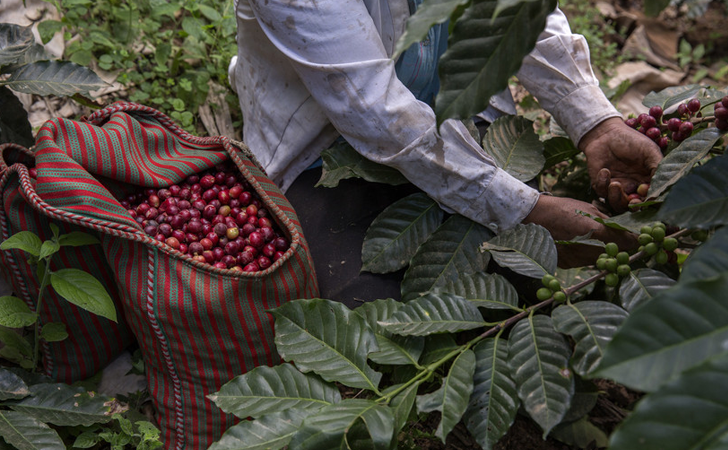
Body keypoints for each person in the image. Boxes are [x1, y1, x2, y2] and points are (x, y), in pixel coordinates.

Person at [228, 0, 663, 306]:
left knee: (514, 292)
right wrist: (528, 211)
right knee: (373, 310)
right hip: (327, 152)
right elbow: (376, 111)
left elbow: (520, 15)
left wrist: (596, 123)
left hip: (463, 125)